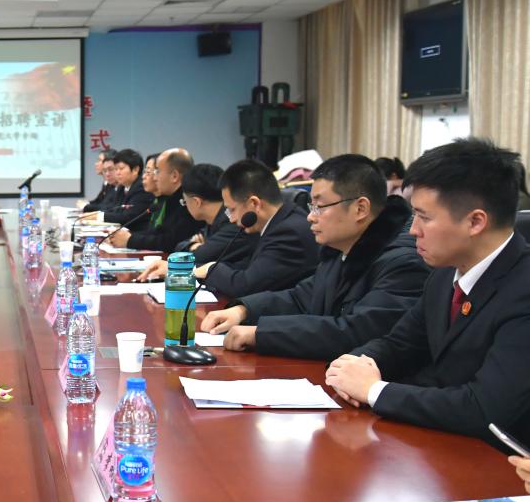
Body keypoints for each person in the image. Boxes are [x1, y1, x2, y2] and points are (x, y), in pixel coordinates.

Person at [326, 138, 530, 447]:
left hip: (499, 461)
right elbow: (400, 344)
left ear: (475, 222)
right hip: (439, 443)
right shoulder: (445, 273)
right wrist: (352, 366)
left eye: (424, 217)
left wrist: (374, 391)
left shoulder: (523, 289)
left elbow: (484, 410)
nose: (413, 230)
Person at [200, 154, 428, 361]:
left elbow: (355, 332)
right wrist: (243, 310)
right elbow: (301, 297)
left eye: (319, 206)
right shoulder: (340, 250)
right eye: (311, 206)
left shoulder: (403, 263)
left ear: (360, 209)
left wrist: (261, 334)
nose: (310, 216)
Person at [197, 159, 319, 300]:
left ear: (254, 203)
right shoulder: (277, 222)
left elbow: (246, 286)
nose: (231, 219)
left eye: (232, 210)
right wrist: (206, 267)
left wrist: (210, 269)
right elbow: (248, 268)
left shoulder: (289, 234)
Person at [133, 163, 257, 281]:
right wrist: (193, 245)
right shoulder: (212, 220)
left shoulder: (233, 224)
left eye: (185, 202)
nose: (185, 206)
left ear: (197, 202)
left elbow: (197, 256)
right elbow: (180, 246)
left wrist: (197, 248)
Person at [108, 148, 202, 251]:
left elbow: (171, 242)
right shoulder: (171, 198)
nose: (154, 177)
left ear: (174, 176)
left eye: (157, 172)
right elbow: (158, 232)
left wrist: (130, 240)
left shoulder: (188, 200)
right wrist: (128, 236)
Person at [81, 148, 153, 226]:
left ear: (135, 169)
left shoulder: (141, 188)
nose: (117, 173)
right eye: (116, 169)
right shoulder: (122, 187)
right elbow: (114, 209)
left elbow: (127, 217)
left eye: (121, 168)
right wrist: (95, 215)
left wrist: (98, 216)